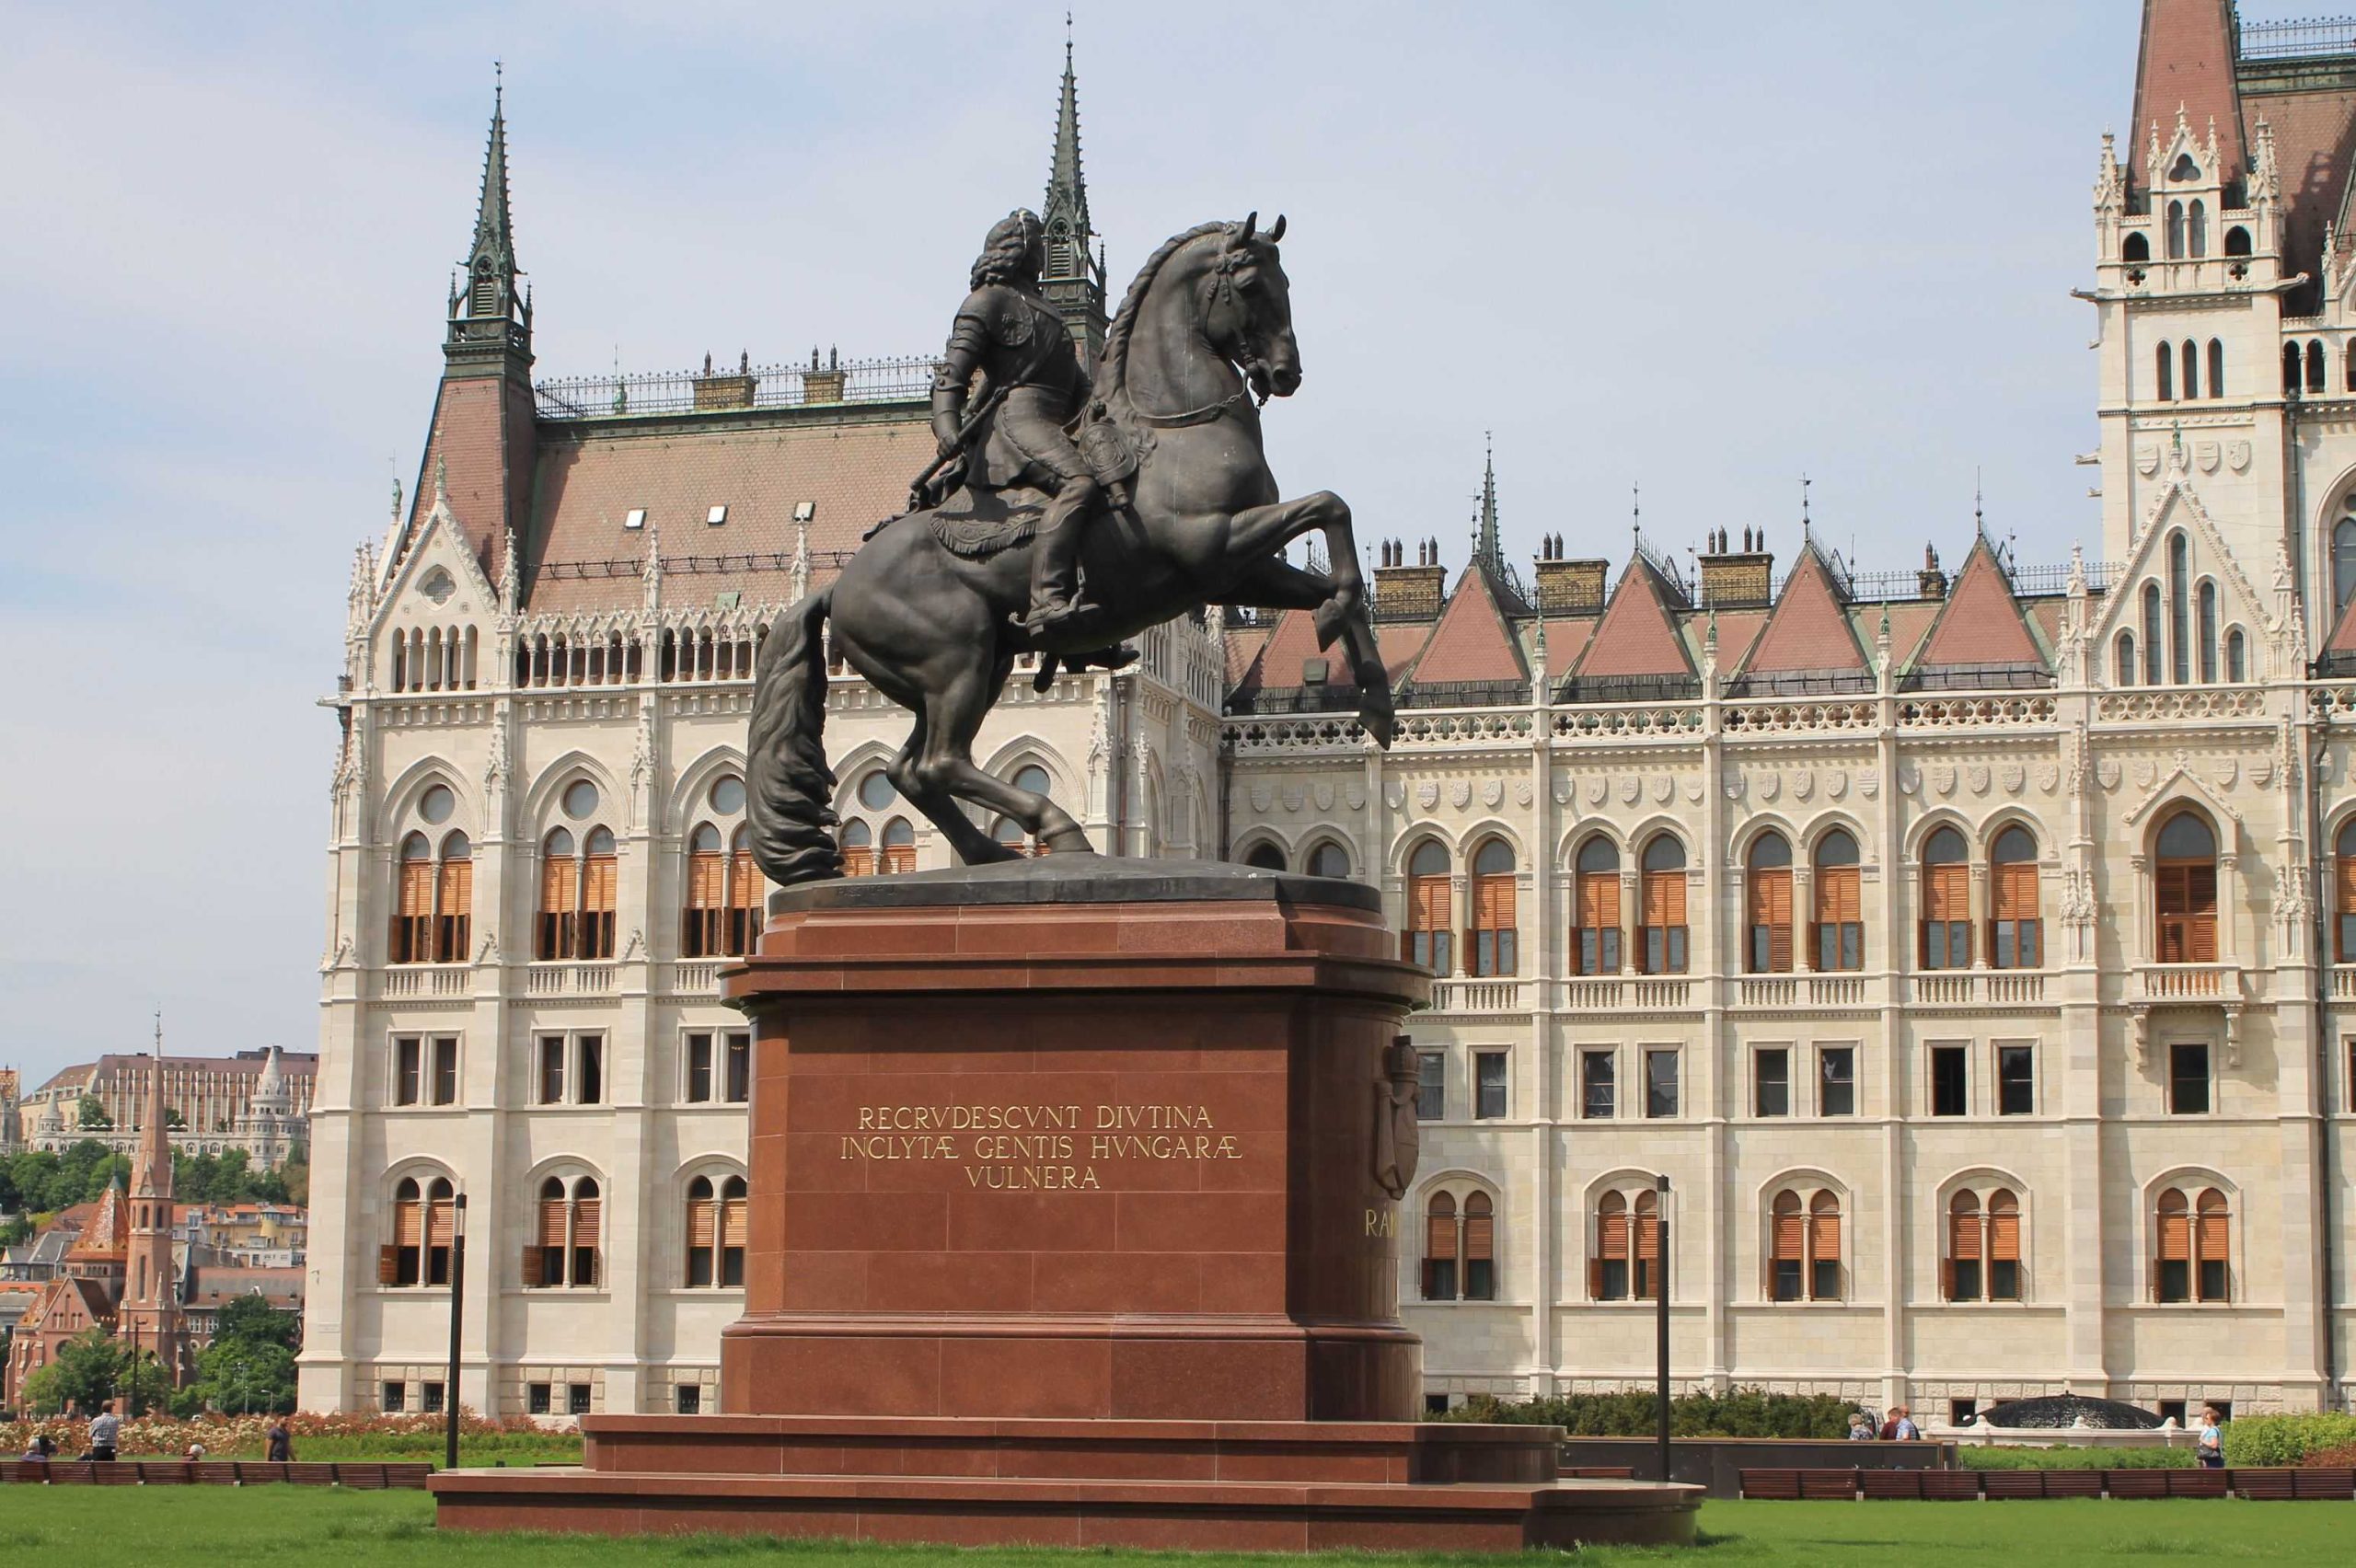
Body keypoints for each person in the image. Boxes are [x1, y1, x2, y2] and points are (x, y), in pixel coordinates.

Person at [927, 209, 1103, 633]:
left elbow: (1079, 387)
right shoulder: (986, 302)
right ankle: (1045, 599)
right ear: (1018, 249)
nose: (1045, 251)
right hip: (1015, 425)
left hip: (1052, 424)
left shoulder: (1048, 312)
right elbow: (951, 378)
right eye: (1038, 242)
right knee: (1080, 483)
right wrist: (947, 428)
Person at [2196, 1403, 2225, 1469]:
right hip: (2217, 1459)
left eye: (2207, 1418)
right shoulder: (2218, 1429)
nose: (2205, 1419)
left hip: (2213, 1460)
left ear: (2211, 1420)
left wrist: (2202, 1440)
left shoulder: (2212, 1430)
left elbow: (2214, 1445)